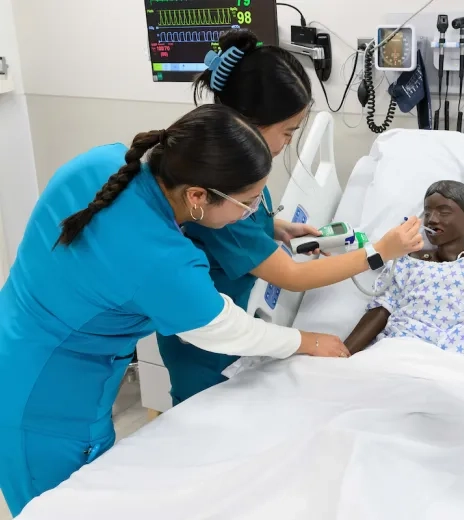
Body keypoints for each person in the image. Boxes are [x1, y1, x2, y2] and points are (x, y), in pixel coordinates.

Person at [0, 104, 420, 517]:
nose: (252, 213)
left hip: (15, 340)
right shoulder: (161, 260)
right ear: (198, 197)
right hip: (46, 404)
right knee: (60, 506)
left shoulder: (105, 162)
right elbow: (226, 329)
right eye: (249, 203)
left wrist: (267, 227)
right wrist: (305, 340)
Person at [157, 29, 425, 405]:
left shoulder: (232, 174)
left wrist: (278, 227)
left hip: (233, 319)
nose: (287, 143)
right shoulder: (215, 193)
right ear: (248, 123)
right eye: (287, 132)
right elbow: (293, 276)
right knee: (204, 420)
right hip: (207, 347)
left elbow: (247, 219)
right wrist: (379, 251)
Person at [344, 181, 464, 357]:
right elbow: (381, 310)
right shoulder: (407, 261)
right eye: (427, 212)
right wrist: (342, 354)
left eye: (443, 212)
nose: (432, 219)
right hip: (401, 350)